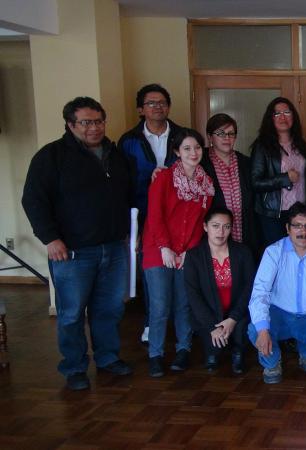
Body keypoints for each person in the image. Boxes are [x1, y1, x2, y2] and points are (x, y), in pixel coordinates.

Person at [22, 97, 136, 390]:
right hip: (71, 252)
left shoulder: (115, 154)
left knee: (109, 309)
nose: (94, 128)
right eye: (86, 122)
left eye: (98, 121)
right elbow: (33, 200)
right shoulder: (51, 156)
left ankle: (108, 358)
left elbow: (128, 195)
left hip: (114, 247)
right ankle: (74, 367)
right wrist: (50, 238)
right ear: (70, 124)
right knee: (72, 313)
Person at [142, 127, 215, 378]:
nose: (193, 153)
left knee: (184, 303)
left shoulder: (206, 184)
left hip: (186, 251)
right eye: (187, 148)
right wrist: (165, 247)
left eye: (197, 148)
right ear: (176, 152)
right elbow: (155, 216)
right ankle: (155, 354)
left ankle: (183, 349)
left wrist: (188, 251)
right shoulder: (163, 178)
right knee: (160, 305)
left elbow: (200, 223)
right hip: (157, 250)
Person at [118, 83, 185, 344]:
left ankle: (181, 324)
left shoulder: (182, 135)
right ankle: (150, 321)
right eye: (151, 103)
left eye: (162, 103)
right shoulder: (129, 140)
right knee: (151, 270)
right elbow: (124, 183)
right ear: (140, 109)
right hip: (144, 214)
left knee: (180, 268)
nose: (158, 107)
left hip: (178, 214)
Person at [248, 202, 306, 384]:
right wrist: (263, 329)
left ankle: (304, 350)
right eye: (297, 226)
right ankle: (272, 362)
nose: (303, 231)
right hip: (279, 314)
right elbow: (260, 292)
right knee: (255, 329)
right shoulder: (273, 252)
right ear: (287, 228)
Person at [184, 207, 255, 374]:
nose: (221, 232)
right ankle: (214, 349)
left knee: (240, 332)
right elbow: (193, 295)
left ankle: (238, 351)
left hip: (238, 311)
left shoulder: (243, 252)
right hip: (209, 313)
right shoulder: (194, 256)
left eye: (226, 226)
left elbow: (250, 287)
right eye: (215, 226)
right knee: (213, 351)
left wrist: (233, 318)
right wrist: (212, 326)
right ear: (205, 227)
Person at [250, 97, 306, 249]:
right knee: (279, 255)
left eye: (287, 112)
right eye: (277, 114)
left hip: (300, 212)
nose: (283, 117)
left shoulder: (300, 144)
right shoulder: (262, 146)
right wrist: (284, 178)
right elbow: (255, 183)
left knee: (299, 252)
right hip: (274, 213)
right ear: (270, 118)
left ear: (293, 116)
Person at [202, 113, 257, 254]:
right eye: (221, 133)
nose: (227, 138)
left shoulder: (246, 163)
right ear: (210, 137)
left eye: (231, 134)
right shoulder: (201, 162)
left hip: (245, 234)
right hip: (213, 238)